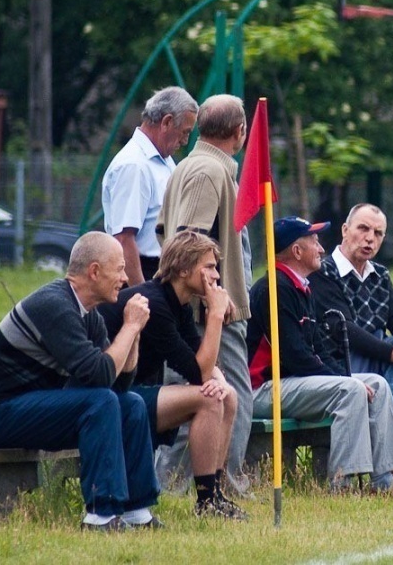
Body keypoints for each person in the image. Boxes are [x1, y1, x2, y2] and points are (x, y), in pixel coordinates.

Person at [0, 232, 162, 531]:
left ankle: (137, 511)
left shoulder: (88, 313)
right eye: (119, 268)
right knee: (100, 402)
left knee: (130, 404)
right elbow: (100, 375)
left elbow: (118, 385)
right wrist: (130, 326)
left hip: (32, 405)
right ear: (94, 271)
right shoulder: (55, 305)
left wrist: (132, 333)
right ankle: (101, 515)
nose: (124, 277)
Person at [246, 216, 393, 495]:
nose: (321, 248)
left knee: (377, 384)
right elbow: (296, 357)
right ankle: (342, 485)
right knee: (350, 389)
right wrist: (344, 380)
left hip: (292, 382)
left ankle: (386, 482)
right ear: (297, 251)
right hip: (263, 389)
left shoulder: (301, 286)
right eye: (314, 242)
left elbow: (317, 348)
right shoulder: (275, 288)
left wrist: (342, 375)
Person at [98, 231, 246, 519]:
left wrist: (221, 382)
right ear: (182, 269)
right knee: (208, 400)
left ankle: (215, 494)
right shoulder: (155, 303)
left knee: (227, 396)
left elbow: (200, 362)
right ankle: (206, 502)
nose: (216, 276)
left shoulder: (177, 304)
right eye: (209, 267)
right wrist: (215, 315)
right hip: (112, 397)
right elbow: (198, 372)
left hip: (132, 393)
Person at [155, 94, 253, 494]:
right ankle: (216, 482)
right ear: (240, 132)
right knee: (224, 394)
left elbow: (163, 232)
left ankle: (178, 484)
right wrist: (213, 299)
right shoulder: (208, 171)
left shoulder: (189, 168)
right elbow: (186, 242)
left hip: (199, 310)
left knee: (198, 394)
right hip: (209, 314)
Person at [309, 203, 393, 485]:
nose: (370, 238)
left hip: (374, 357)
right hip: (336, 362)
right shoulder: (322, 272)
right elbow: (344, 329)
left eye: (378, 233)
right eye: (363, 228)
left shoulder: (380, 274)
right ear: (345, 230)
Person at [103, 86, 199, 286]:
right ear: (167, 122)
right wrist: (142, 295)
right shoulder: (134, 165)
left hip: (161, 272)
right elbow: (124, 239)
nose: (185, 140)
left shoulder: (164, 161)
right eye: (185, 132)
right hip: (142, 273)